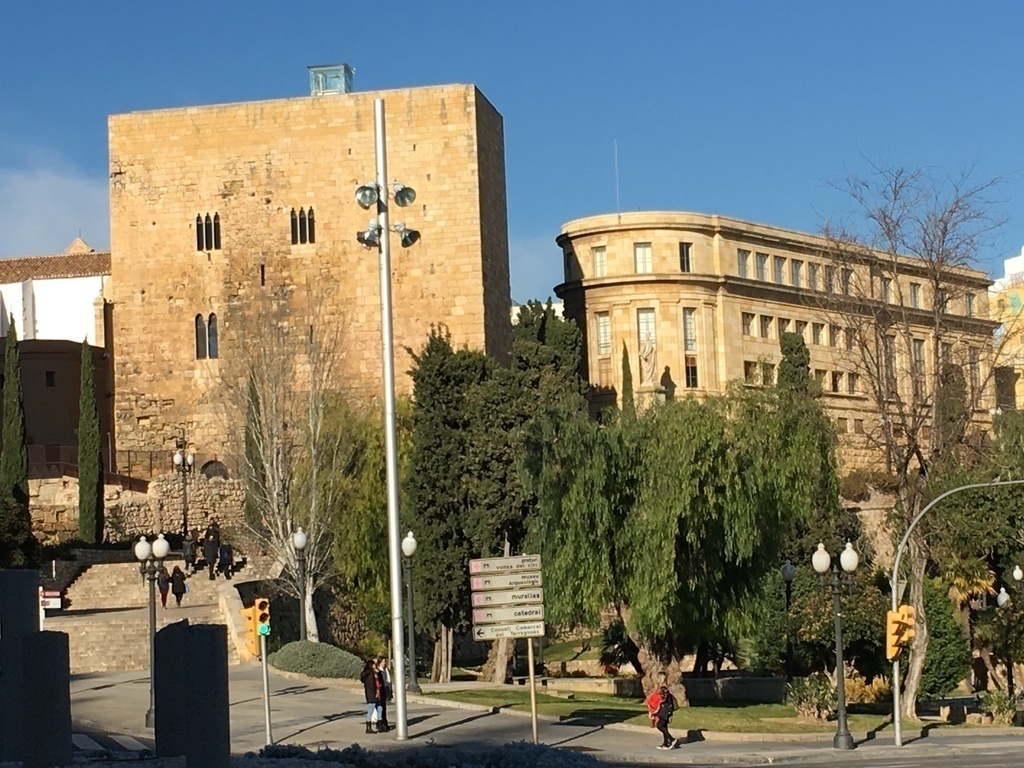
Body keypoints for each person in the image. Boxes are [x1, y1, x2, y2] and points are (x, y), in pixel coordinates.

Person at [646, 673, 680, 750]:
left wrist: (655, 710)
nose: (659, 679)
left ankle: (672, 740)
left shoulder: (664, 688)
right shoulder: (661, 687)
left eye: (660, 677)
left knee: (660, 725)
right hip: (665, 710)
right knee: (664, 726)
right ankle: (666, 743)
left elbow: (661, 700)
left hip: (664, 710)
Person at [360, 658, 381, 734]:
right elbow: (371, 685)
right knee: (371, 709)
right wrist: (375, 692)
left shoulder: (372, 673)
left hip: (374, 693)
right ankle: (368, 727)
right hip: (372, 694)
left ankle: (379, 723)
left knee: (379, 708)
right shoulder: (370, 674)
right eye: (373, 664)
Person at [376, 656, 392, 732]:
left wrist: (389, 693)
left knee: (384, 709)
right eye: (382, 662)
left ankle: (384, 724)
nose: (384, 663)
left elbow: (389, 681)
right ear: (379, 662)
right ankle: (381, 725)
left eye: (385, 662)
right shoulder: (377, 671)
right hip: (380, 692)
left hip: (386, 691)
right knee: (380, 709)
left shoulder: (386, 670)